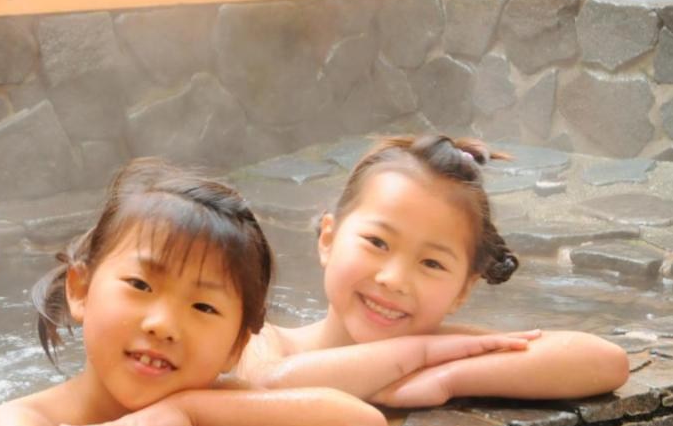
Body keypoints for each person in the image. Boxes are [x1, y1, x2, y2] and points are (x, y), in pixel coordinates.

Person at [0, 159, 389, 426]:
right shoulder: (29, 419)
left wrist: (189, 411)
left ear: (236, 346)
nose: (163, 325)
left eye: (203, 307)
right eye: (140, 285)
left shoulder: (218, 405)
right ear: (80, 289)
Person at [236, 135, 630, 408]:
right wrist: (416, 354)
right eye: (377, 242)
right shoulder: (265, 339)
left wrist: (449, 379)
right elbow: (270, 382)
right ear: (328, 238)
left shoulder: (447, 352)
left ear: (463, 290)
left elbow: (605, 360)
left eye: (432, 263)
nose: (394, 279)